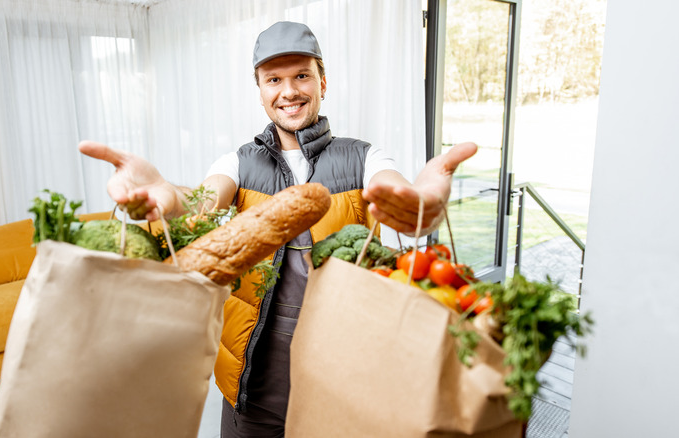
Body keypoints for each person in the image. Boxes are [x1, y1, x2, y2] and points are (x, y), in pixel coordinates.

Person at [79, 21, 476, 437]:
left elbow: (397, 191)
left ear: (323, 83)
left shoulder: (364, 158)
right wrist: (171, 198)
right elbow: (201, 201)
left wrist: (419, 205)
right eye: (273, 80)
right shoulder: (238, 162)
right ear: (260, 91)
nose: (289, 91)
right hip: (252, 384)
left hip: (341, 376)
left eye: (302, 75)